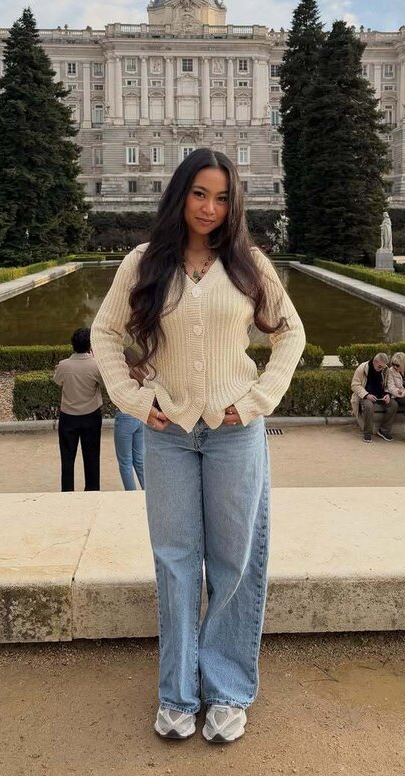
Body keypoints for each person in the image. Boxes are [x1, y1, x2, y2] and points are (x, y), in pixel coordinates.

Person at [91, 147, 305, 745]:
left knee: (236, 561)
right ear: (181, 194)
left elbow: (291, 332)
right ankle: (179, 693)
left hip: (236, 430)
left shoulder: (249, 263)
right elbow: (106, 332)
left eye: (222, 197)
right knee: (176, 561)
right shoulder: (143, 262)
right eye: (199, 194)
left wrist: (260, 398)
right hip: (170, 433)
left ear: (234, 204)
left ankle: (228, 689)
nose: (209, 208)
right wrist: (132, 400)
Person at [52, 327, 103, 491]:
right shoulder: (96, 365)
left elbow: (57, 381)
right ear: (90, 345)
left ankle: (68, 493)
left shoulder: (64, 365)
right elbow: (104, 383)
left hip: (68, 417)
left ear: (73, 344)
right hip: (91, 416)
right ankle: (92, 492)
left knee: (67, 459)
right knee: (92, 458)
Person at [113, 355, 146, 490]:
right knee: (139, 459)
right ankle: (146, 491)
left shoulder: (122, 375)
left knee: (125, 462)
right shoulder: (141, 371)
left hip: (125, 416)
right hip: (140, 415)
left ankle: (131, 493)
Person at [350, 352, 397, 443]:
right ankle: (367, 433)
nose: (381, 369)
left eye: (383, 367)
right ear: (374, 362)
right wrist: (367, 395)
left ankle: (383, 430)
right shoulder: (362, 368)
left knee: (393, 405)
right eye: (379, 367)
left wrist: (387, 394)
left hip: (381, 396)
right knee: (369, 406)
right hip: (365, 396)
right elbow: (354, 385)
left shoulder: (385, 369)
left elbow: (388, 385)